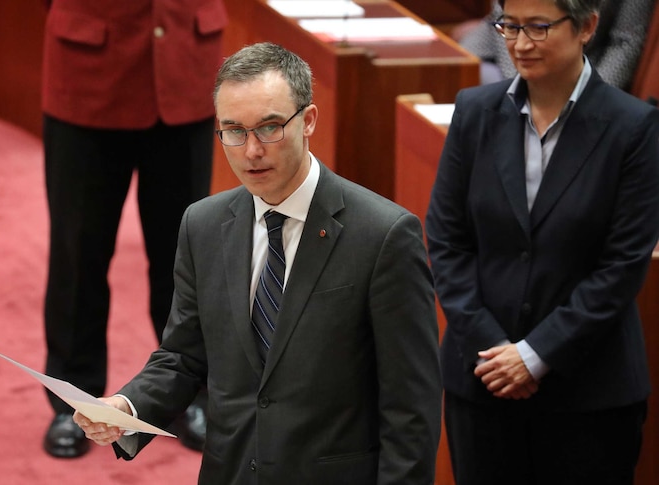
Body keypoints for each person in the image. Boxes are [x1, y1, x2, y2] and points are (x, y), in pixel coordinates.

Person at [73, 42, 442, 484]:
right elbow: (184, 355)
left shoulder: (383, 235)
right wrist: (127, 407)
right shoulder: (203, 224)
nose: (250, 151)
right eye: (233, 130)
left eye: (269, 128)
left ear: (308, 121)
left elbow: (411, 407)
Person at [426, 0, 659, 484]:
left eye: (538, 27)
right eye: (509, 26)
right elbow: (447, 242)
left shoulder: (633, 128)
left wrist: (535, 356)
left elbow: (622, 266)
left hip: (589, 391)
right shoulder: (475, 112)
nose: (520, 44)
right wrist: (494, 349)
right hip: (483, 379)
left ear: (587, 27)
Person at [39, 0, 226, 457]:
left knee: (187, 259)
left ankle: (189, 392)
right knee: (78, 253)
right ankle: (73, 400)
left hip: (185, 68)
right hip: (89, 71)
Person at [459, 0, 654, 90]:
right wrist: (519, 79)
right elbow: (501, 12)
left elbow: (625, 41)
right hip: (500, 40)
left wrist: (593, 93)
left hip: (582, 60)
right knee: (458, 75)